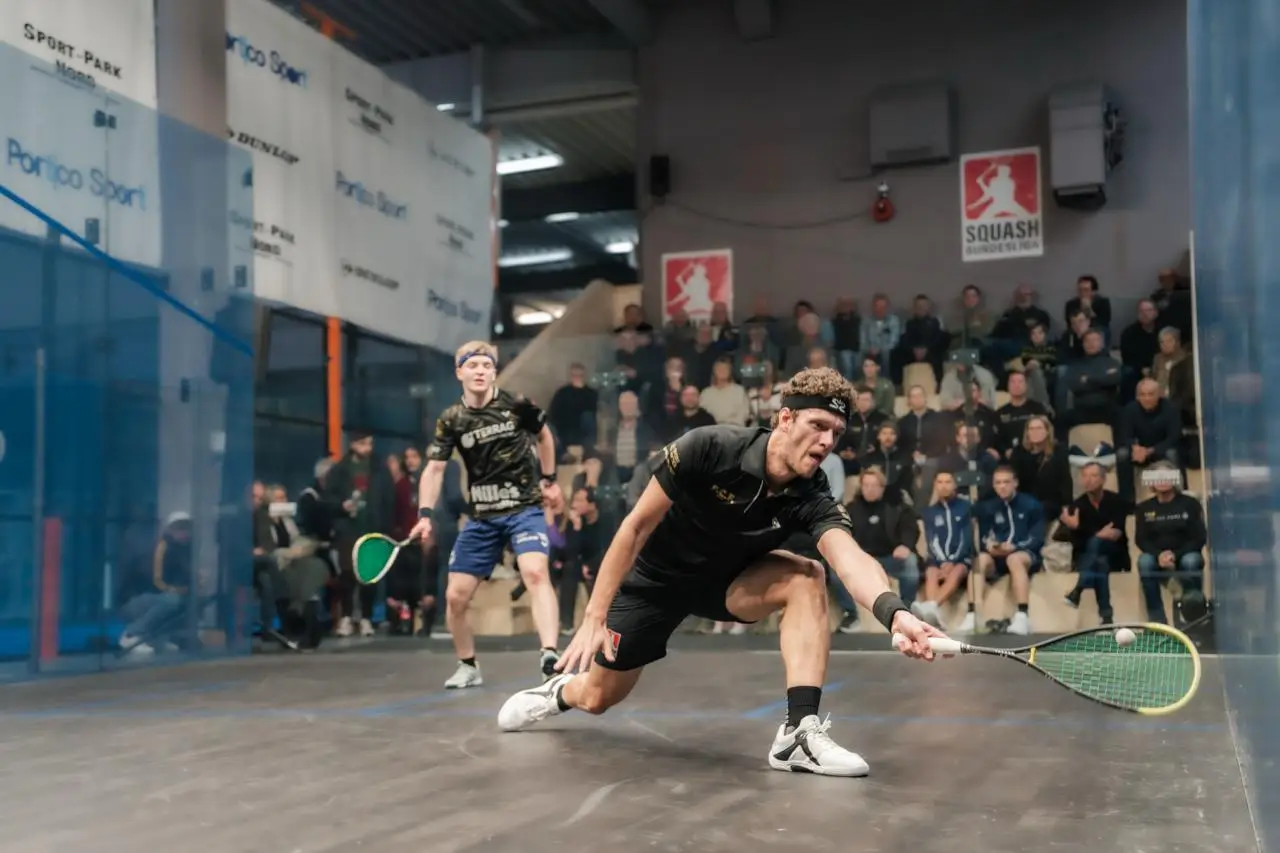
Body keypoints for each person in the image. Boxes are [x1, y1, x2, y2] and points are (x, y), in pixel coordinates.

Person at [496, 367, 945, 778]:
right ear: (785, 419)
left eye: (837, 432)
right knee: (597, 698)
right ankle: (557, 693)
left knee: (807, 576)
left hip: (727, 585)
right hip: (656, 584)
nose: (828, 441)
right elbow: (634, 528)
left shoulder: (811, 493)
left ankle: (797, 734)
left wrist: (895, 612)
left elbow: (848, 557)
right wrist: (594, 615)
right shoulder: (708, 447)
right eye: (819, 425)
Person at [410, 342, 565, 688]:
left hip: (524, 508)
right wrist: (424, 515)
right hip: (482, 518)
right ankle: (468, 666)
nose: (480, 370)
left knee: (535, 572)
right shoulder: (452, 419)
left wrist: (550, 479)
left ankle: (549, 656)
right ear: (460, 372)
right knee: (455, 597)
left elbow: (545, 437)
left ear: (494, 372)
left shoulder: (517, 405)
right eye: (473, 365)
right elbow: (434, 470)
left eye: (486, 365)